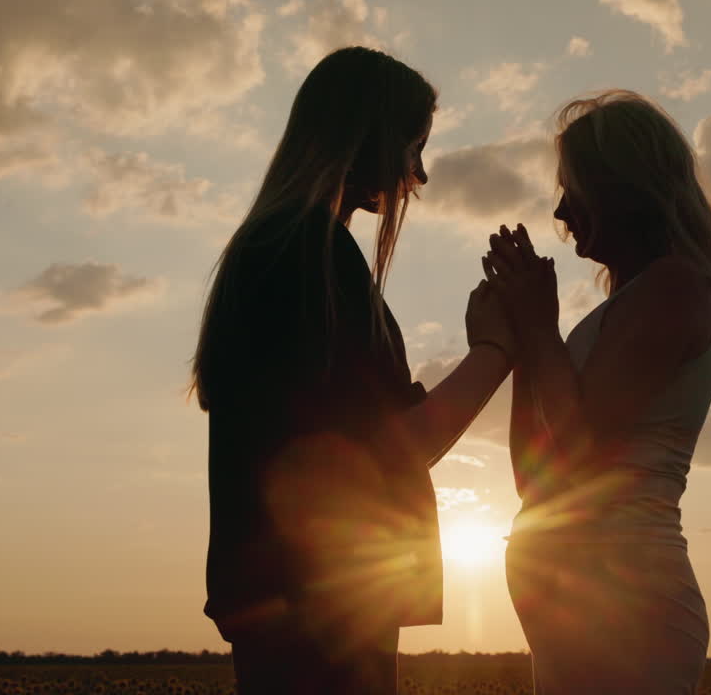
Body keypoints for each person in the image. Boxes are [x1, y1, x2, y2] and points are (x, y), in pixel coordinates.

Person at [188, 46, 515, 695]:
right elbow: (397, 448)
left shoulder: (282, 250)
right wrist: (497, 350)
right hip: (323, 609)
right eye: (411, 146)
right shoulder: (309, 259)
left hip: (297, 604)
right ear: (364, 135)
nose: (418, 174)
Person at [483, 90, 711, 695]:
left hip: (631, 609)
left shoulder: (673, 288)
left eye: (573, 187)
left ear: (623, 191)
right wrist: (524, 345)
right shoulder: (619, 310)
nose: (563, 211)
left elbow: (579, 458)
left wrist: (541, 330)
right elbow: (534, 482)